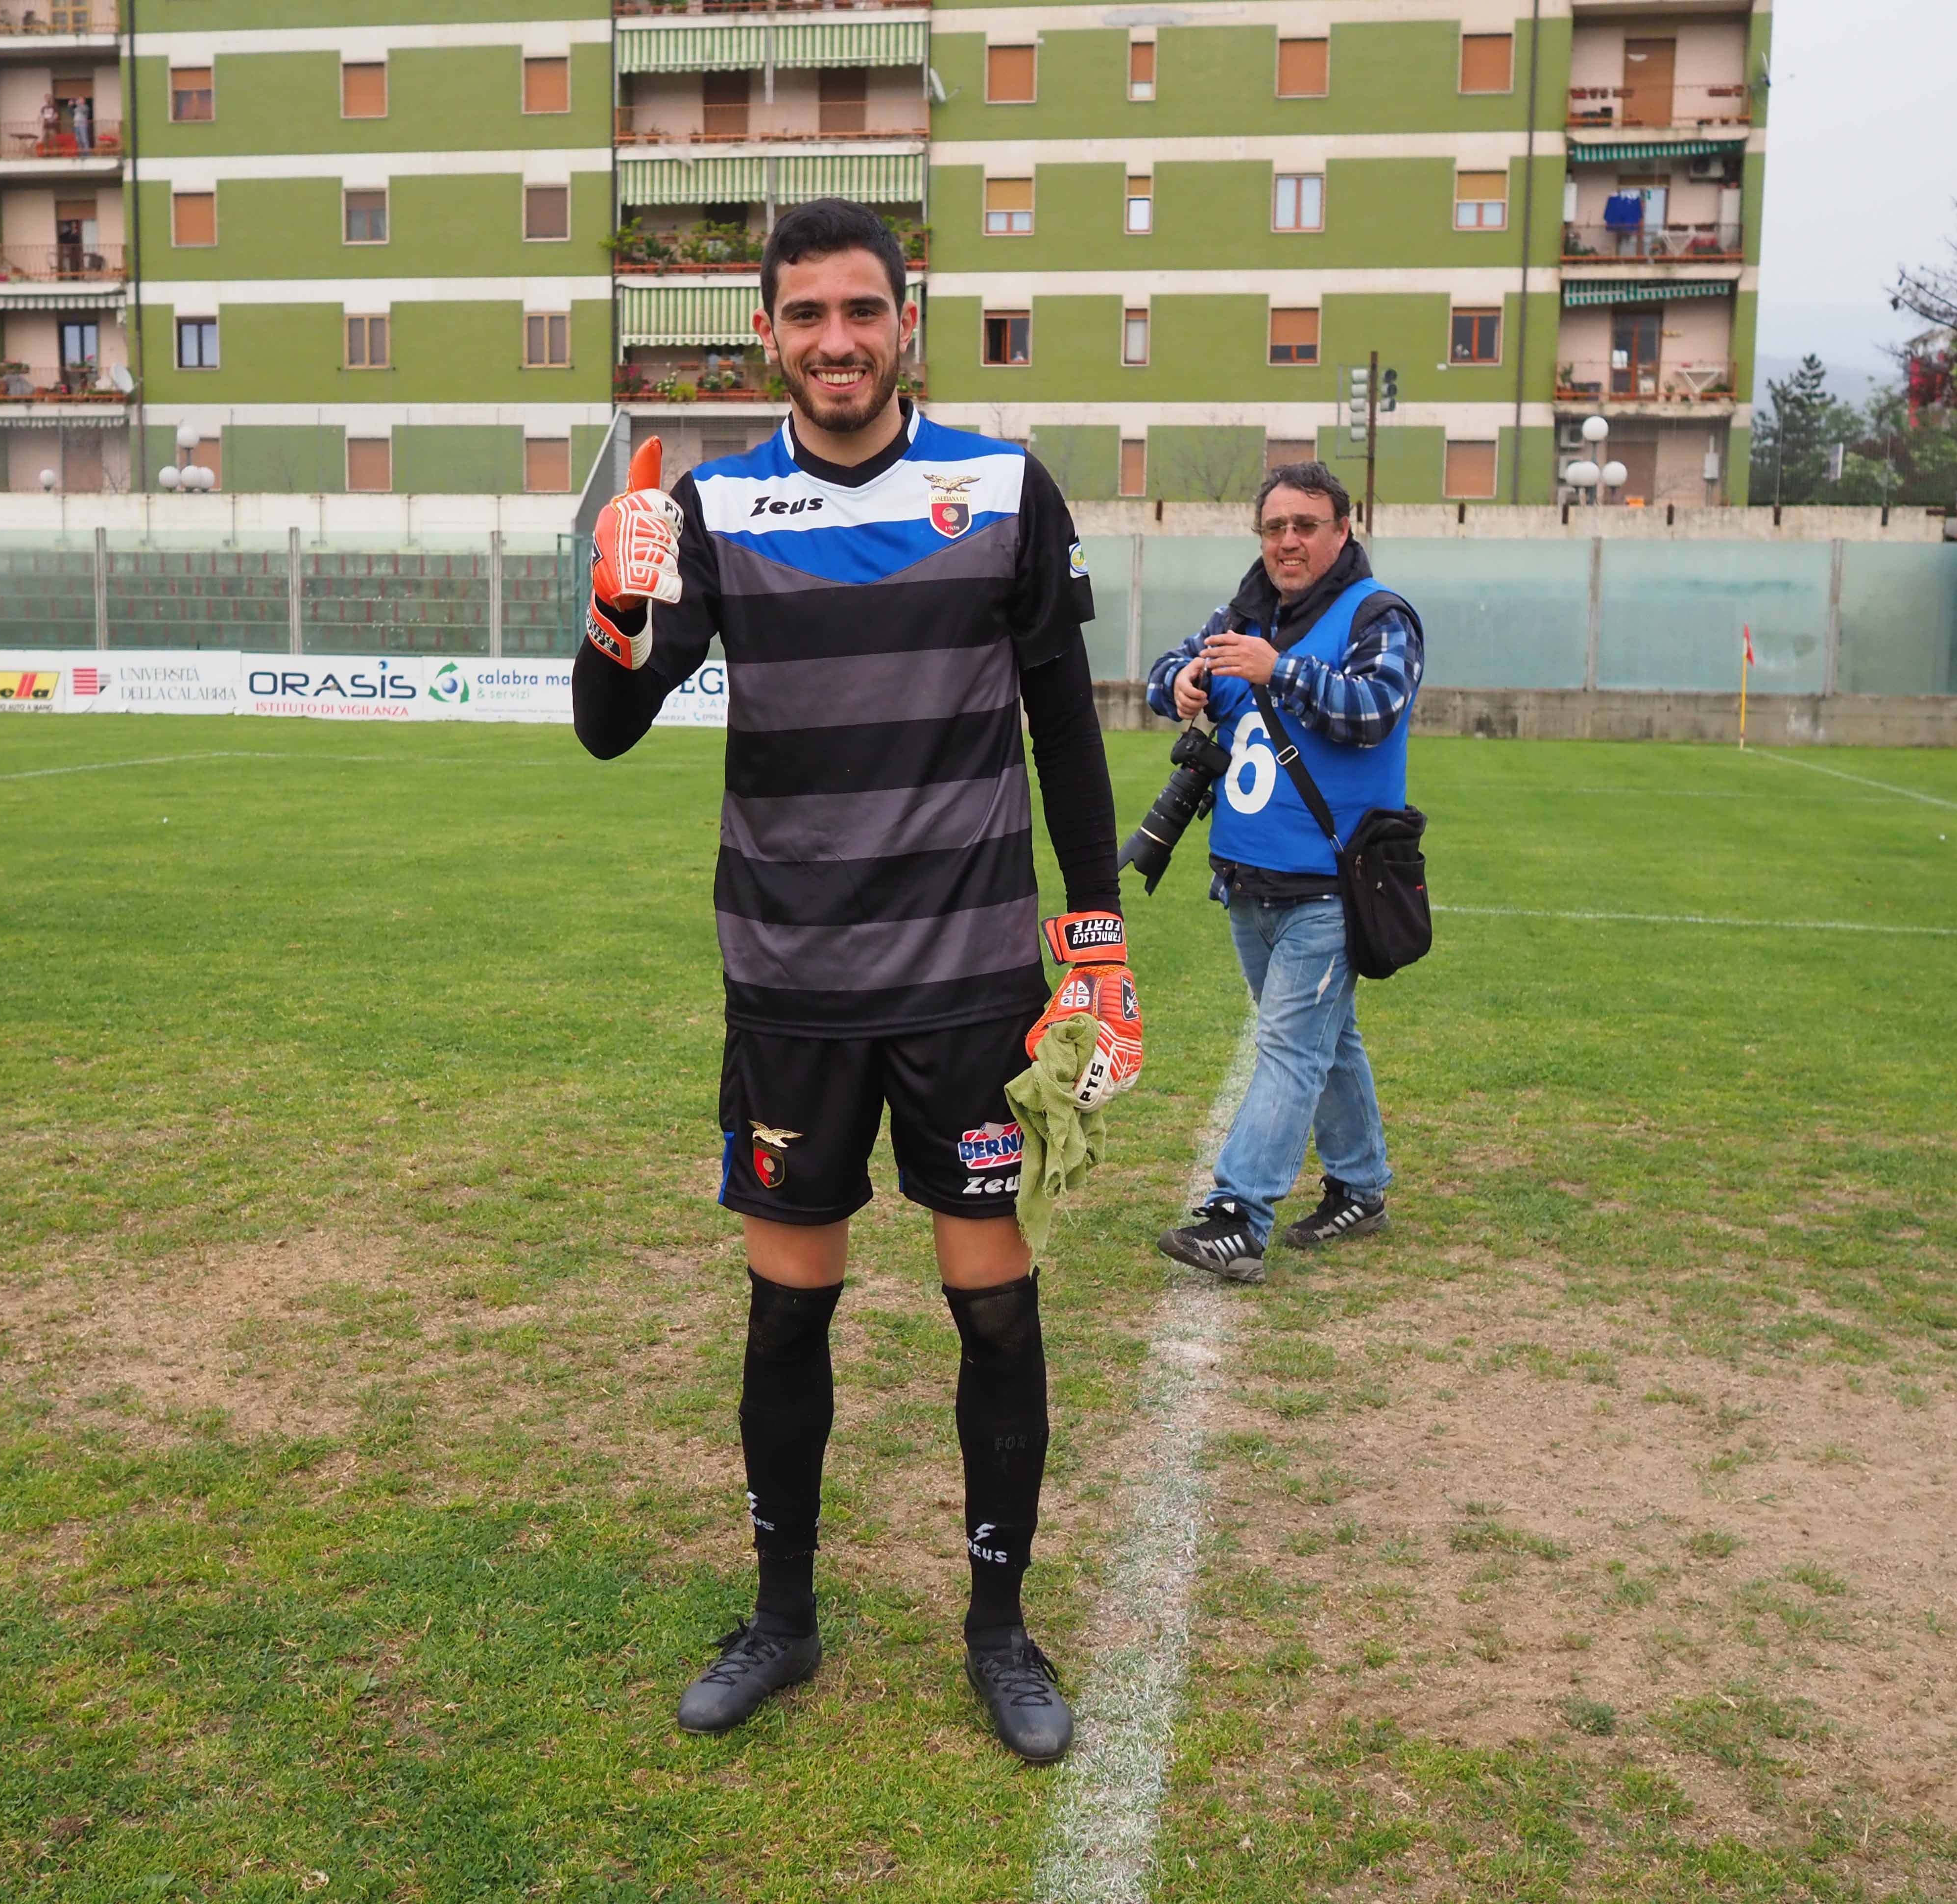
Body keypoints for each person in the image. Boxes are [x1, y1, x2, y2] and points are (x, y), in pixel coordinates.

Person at [571, 198, 1138, 1763]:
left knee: (996, 1310)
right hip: (792, 983)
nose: (837, 341)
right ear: (769, 334)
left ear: (909, 325)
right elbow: (608, 730)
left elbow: (1066, 731)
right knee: (786, 1317)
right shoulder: (713, 508)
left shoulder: (1002, 489)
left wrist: (1093, 940)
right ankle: (783, 1616)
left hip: (969, 984)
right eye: (806, 316)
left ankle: (1000, 1631)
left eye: (861, 313)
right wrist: (617, 608)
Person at [1144, 462, 1423, 1284]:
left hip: (1331, 883)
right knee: (1323, 1037)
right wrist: (1188, 679)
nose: (1288, 541)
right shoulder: (1241, 615)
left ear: (1342, 529)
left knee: (1289, 1046)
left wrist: (1277, 670)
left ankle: (1237, 1212)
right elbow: (1165, 676)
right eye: (1274, 528)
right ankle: (1360, 1185)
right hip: (1245, 878)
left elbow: (1373, 711)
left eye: (1305, 524)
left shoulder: (1377, 614)